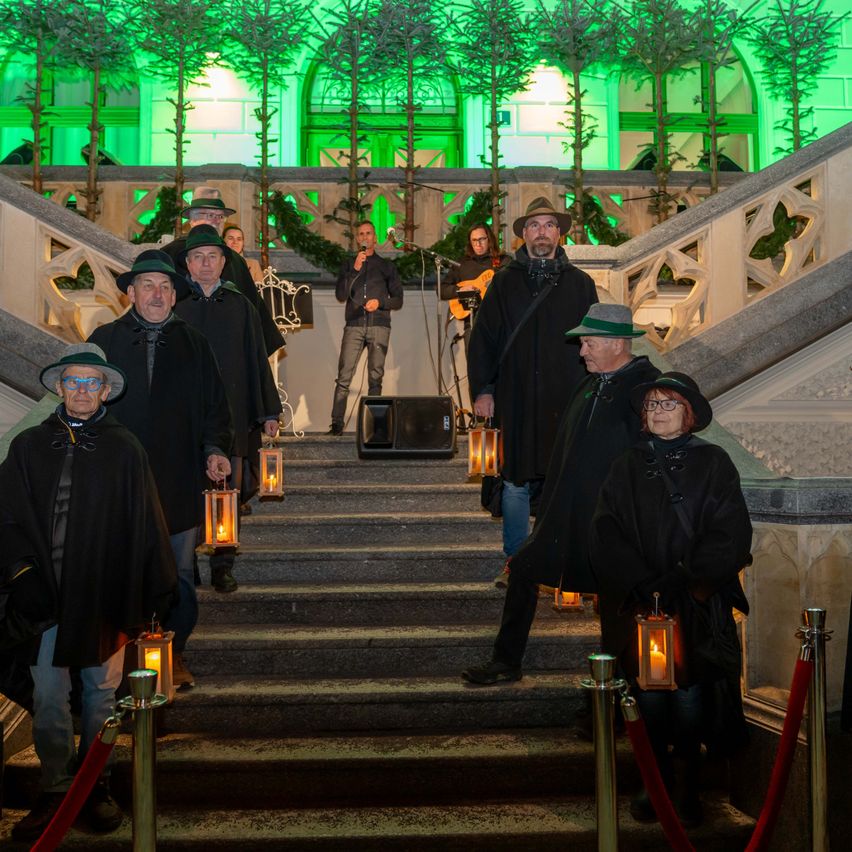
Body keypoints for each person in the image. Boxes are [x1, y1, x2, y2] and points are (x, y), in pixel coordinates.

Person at [0, 343, 177, 841]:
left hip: (104, 594)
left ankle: (94, 784)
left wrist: (153, 590)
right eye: (73, 381)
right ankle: (56, 789)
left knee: (101, 694)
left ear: (105, 391)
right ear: (60, 387)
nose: (82, 391)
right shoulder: (29, 446)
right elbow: (6, 514)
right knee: (50, 696)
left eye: (91, 382)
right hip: (45, 598)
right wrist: (21, 574)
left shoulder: (125, 449)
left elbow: (147, 522)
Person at [462, 303, 660, 685]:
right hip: (564, 515)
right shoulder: (587, 385)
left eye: (588, 343)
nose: (581, 351)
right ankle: (506, 661)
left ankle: (612, 696)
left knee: (615, 606)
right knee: (521, 568)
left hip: (612, 524)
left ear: (617, 344)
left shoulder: (646, 389)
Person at [589, 372, 752, 827]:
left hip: (694, 604)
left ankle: (687, 785)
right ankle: (653, 782)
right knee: (648, 697)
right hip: (643, 606)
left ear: (689, 414)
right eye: (652, 405)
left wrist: (686, 577)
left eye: (669, 404)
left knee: (690, 697)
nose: (658, 411)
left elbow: (731, 532)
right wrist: (639, 581)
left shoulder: (715, 462)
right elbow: (605, 530)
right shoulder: (625, 465)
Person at [89, 250, 234, 690]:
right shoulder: (105, 339)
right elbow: (80, 403)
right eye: (148, 285)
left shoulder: (193, 342)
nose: (157, 294)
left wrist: (215, 449)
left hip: (177, 476)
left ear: (175, 294)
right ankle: (115, 659)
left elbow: (215, 405)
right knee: (118, 569)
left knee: (180, 573)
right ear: (130, 292)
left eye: (165, 286)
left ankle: (176, 652)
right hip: (119, 482)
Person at [467, 197, 598, 563]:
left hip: (566, 397)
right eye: (536, 226)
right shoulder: (504, 283)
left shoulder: (581, 284)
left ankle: (556, 558)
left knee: (563, 478)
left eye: (550, 225)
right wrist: (484, 390)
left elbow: (595, 343)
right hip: (516, 396)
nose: (543, 232)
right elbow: (484, 340)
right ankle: (516, 562)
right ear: (524, 234)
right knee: (514, 478)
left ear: (559, 233)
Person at [174, 225, 282, 593]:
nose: (206, 263)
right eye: (198, 257)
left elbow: (257, 361)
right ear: (187, 264)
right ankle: (187, 562)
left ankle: (223, 562)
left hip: (233, 415)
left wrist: (268, 411)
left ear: (224, 263)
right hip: (187, 419)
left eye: (213, 257)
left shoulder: (241, 306)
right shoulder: (175, 307)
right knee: (187, 494)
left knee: (227, 494)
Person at [161, 185, 284, 357]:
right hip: (182, 349)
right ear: (192, 220)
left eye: (221, 216)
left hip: (229, 349)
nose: (217, 220)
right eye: (211, 215)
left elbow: (252, 310)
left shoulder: (235, 261)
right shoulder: (169, 255)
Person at [328, 220, 403, 435]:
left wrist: (380, 303)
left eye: (368, 233)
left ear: (375, 238)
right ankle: (336, 424)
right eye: (360, 234)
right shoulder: (349, 265)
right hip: (354, 325)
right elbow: (341, 296)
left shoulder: (387, 266)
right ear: (357, 239)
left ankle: (374, 427)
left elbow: (398, 300)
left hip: (379, 325)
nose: (365, 237)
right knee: (344, 376)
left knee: (375, 377)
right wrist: (354, 270)